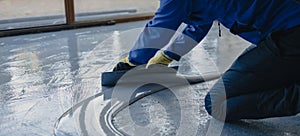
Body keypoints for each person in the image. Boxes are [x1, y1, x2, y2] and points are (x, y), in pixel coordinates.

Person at [113, 0, 300, 122]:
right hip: (284, 34)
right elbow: (199, 24)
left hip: (290, 35)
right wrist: (169, 55)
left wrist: (132, 61)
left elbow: (161, 27)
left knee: (217, 103)